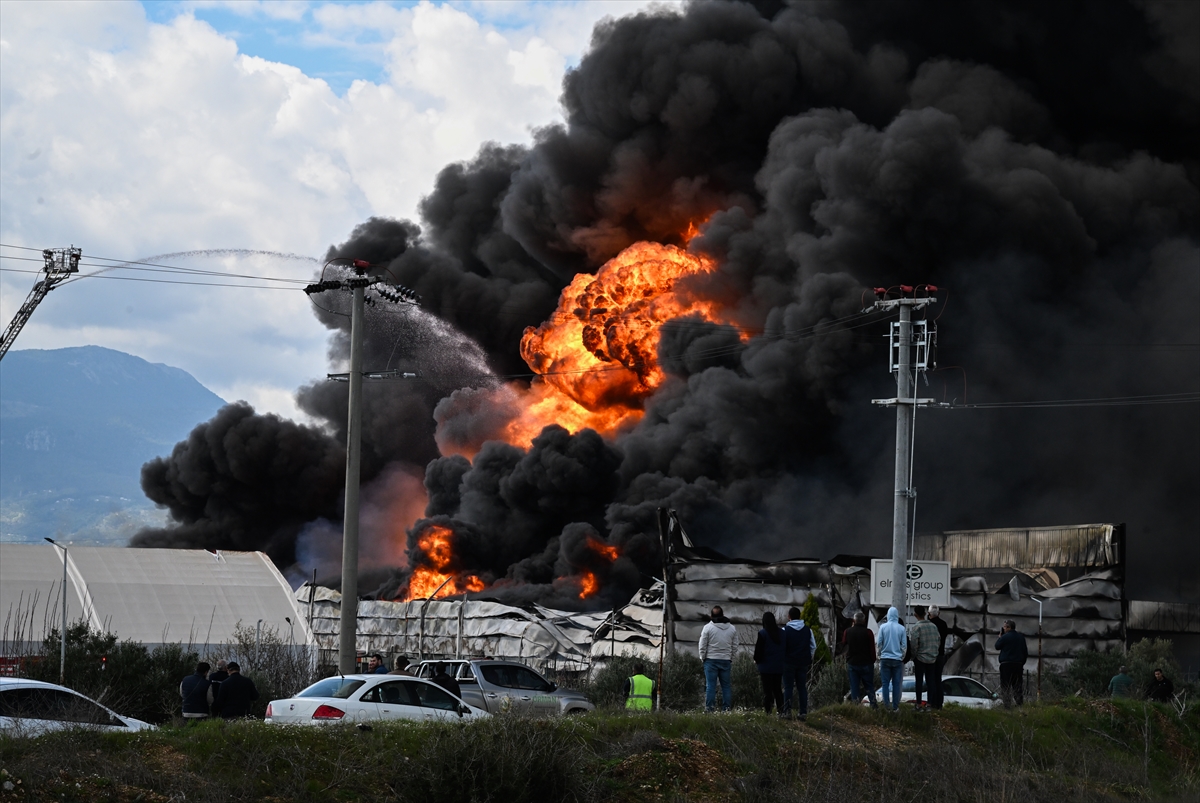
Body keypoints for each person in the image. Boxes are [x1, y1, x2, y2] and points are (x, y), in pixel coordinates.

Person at [699, 605, 738, 712]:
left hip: (710, 660)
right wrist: (731, 657)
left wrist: (703, 657)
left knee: (711, 686)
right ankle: (726, 709)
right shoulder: (732, 628)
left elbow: (702, 645)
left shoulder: (707, 628)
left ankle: (709, 709)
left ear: (711, 616)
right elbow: (735, 645)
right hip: (726, 660)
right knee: (726, 686)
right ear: (723, 614)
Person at [782, 606, 816, 721]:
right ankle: (803, 712)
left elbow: (781, 647)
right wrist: (809, 658)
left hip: (788, 662)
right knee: (802, 687)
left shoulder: (785, 630)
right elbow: (813, 646)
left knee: (788, 687)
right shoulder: (808, 630)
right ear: (800, 616)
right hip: (803, 662)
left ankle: (787, 711)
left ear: (789, 617)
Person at [907, 606, 940, 710]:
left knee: (919, 681)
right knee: (931, 681)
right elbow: (938, 640)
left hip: (920, 658)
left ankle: (918, 704)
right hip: (932, 658)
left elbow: (914, 644)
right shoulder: (933, 626)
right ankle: (929, 704)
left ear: (915, 615)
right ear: (925, 613)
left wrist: (913, 656)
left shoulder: (917, 627)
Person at [753, 612, 786, 715]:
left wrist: (756, 660)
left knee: (767, 691)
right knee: (777, 689)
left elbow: (758, 651)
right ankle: (781, 710)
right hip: (779, 666)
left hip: (765, 667)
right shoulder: (782, 633)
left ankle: (768, 711)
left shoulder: (763, 633)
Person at [841, 611, 876, 708]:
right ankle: (873, 706)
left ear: (854, 620)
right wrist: (872, 660)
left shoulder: (847, 631)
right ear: (864, 621)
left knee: (854, 687)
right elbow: (872, 649)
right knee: (869, 686)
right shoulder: (868, 632)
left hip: (853, 663)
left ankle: (856, 707)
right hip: (866, 663)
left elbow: (843, 644)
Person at [876, 607, 907, 712]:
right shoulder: (901, 628)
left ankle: (886, 706)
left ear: (888, 615)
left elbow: (879, 643)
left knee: (885, 684)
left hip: (885, 659)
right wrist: (901, 656)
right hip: (897, 660)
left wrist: (879, 655)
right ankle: (895, 707)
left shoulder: (883, 627)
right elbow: (904, 646)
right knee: (896, 684)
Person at [994, 620, 1029, 705]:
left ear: (1008, 627)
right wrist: (1021, 663)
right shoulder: (1021, 637)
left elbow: (997, 646)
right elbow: (1025, 652)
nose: (1003, 629)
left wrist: (1000, 637)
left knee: (1005, 685)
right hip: (1018, 664)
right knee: (1017, 686)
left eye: (1004, 627)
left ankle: (1007, 705)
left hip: (1006, 664)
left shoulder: (1005, 637)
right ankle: (1019, 703)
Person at [926, 606, 949, 710]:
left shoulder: (929, 625)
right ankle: (939, 703)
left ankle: (931, 702)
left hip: (930, 654)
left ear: (929, 613)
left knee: (930, 679)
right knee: (938, 679)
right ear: (939, 613)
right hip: (940, 654)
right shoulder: (943, 624)